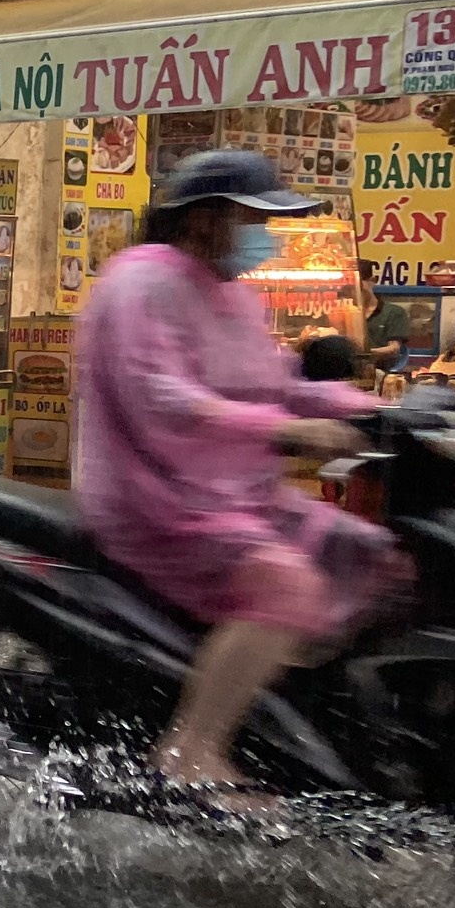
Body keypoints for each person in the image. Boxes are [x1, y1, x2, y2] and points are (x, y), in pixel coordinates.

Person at [75, 150, 399, 793]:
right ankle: (191, 750)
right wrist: (281, 430)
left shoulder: (230, 296)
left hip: (236, 494)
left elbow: (277, 383)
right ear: (204, 220)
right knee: (289, 587)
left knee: (375, 557)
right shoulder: (139, 284)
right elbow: (164, 397)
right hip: (160, 500)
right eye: (253, 218)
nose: (264, 235)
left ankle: (278, 715)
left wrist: (380, 411)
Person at [358, 262, 410, 372]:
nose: (355, 293)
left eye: (359, 287)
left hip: (381, 371)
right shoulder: (339, 313)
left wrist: (362, 355)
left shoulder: (394, 312)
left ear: (372, 281)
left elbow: (394, 348)